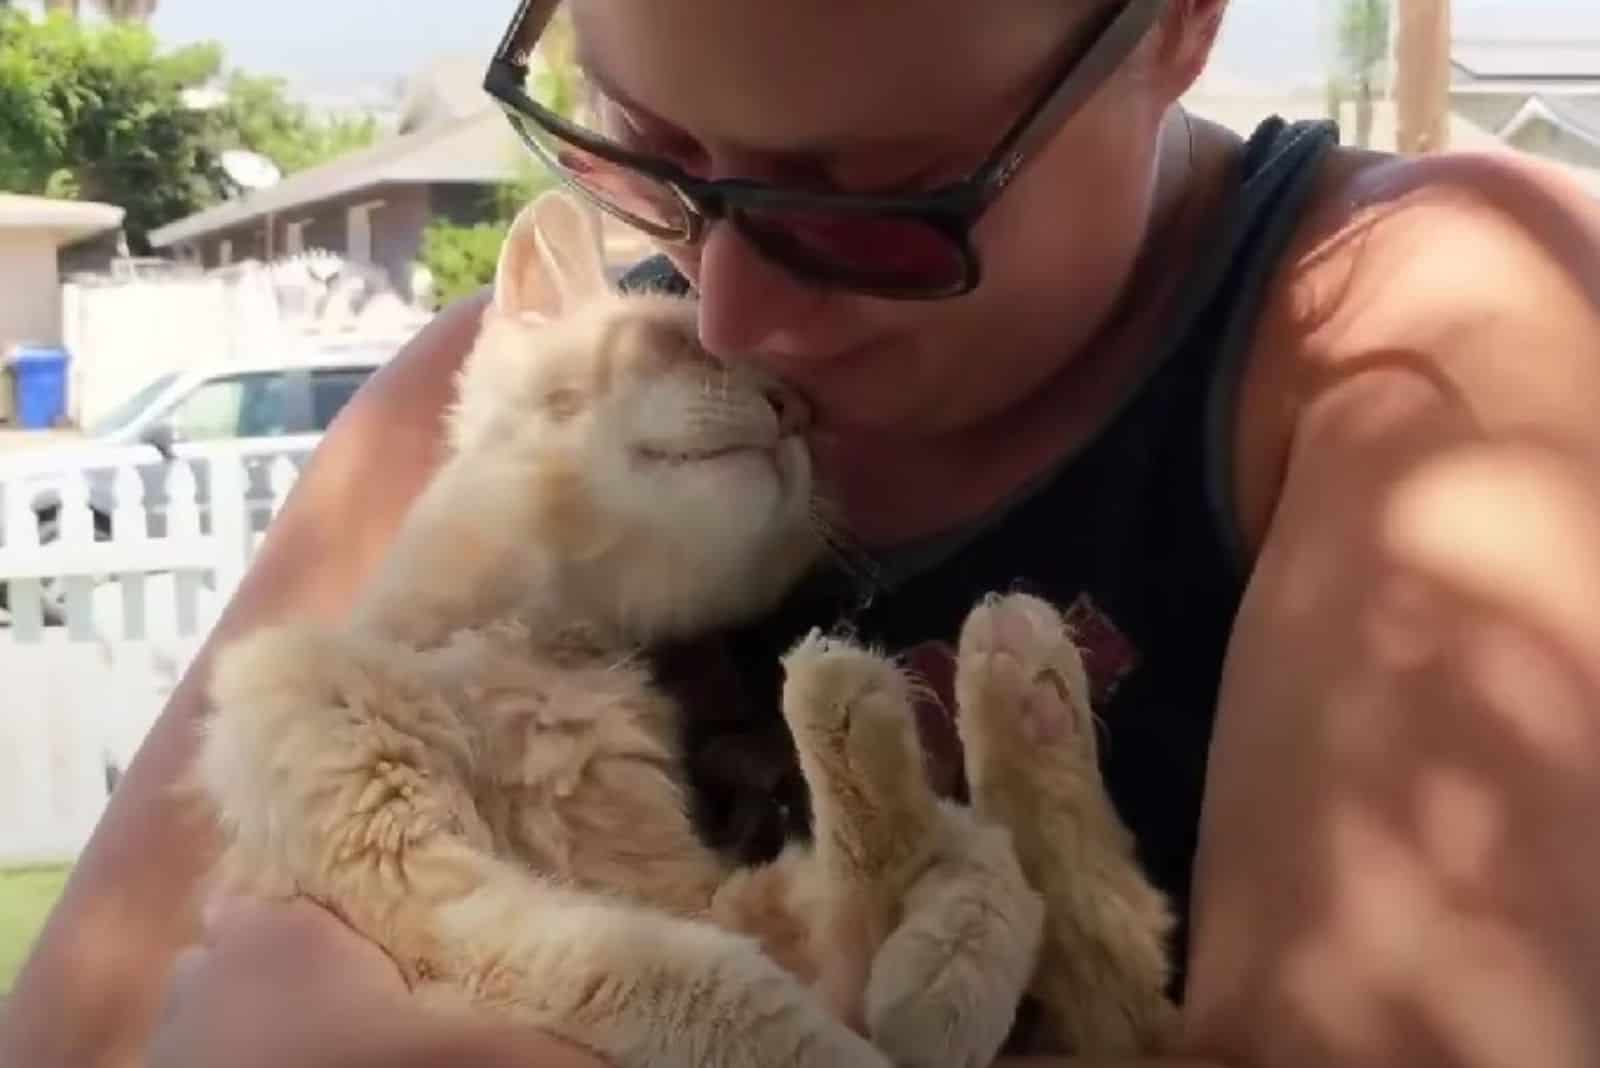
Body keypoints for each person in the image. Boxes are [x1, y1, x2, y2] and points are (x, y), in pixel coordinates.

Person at [7, 0, 1600, 1065]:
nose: (731, 313)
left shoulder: (1419, 332)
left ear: (1176, 23)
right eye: (646, 152)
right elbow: (75, 1023)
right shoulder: (494, 406)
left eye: (876, 206)